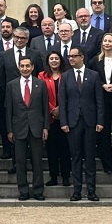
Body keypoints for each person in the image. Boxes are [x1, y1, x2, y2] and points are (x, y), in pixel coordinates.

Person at [58, 46, 104, 202]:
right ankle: (76, 190)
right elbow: (62, 101)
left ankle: (91, 191)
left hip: (90, 121)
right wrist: (63, 121)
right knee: (76, 156)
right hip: (73, 122)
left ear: (82, 57)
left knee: (90, 157)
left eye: (74, 56)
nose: (71, 59)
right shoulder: (65, 76)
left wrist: (100, 120)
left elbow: (99, 100)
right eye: (69, 56)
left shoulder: (94, 75)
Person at [5, 55, 49, 201]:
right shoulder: (11, 85)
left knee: (37, 161)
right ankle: (23, 190)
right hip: (18, 128)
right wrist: (10, 130)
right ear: (19, 67)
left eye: (27, 66)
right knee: (20, 161)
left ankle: (38, 190)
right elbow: (9, 110)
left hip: (37, 127)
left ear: (32, 67)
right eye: (22, 66)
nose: (25, 68)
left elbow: (45, 108)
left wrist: (45, 127)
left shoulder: (40, 84)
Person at [92, 33, 112, 175]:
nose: (107, 43)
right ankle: (107, 164)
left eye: (110, 41)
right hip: (101, 100)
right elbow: (91, 79)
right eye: (105, 41)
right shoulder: (95, 61)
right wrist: (102, 85)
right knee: (103, 134)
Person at [39, 51, 70, 187]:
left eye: (56, 58)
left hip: (65, 117)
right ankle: (53, 176)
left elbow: (71, 94)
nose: (54, 61)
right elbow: (41, 95)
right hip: (49, 117)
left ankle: (66, 176)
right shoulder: (42, 75)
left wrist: (61, 108)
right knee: (51, 149)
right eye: (51, 58)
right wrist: (53, 109)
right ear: (48, 61)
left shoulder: (67, 75)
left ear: (61, 60)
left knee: (65, 148)